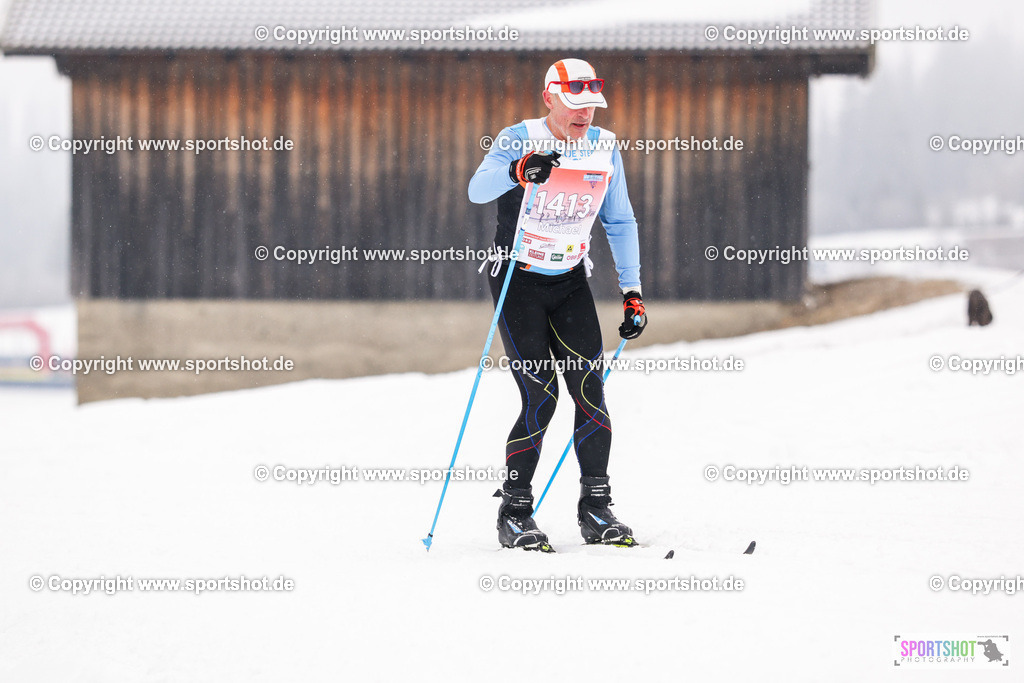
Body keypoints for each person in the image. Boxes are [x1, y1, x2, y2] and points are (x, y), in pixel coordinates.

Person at [468, 58, 647, 551]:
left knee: (590, 393)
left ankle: (596, 509)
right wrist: (517, 170)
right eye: (574, 103)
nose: (584, 114)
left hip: (569, 281)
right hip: (517, 280)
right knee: (541, 397)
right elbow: (477, 190)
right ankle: (515, 511)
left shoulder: (604, 147)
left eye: (591, 105)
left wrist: (631, 292)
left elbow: (621, 221)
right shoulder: (517, 137)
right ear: (550, 98)